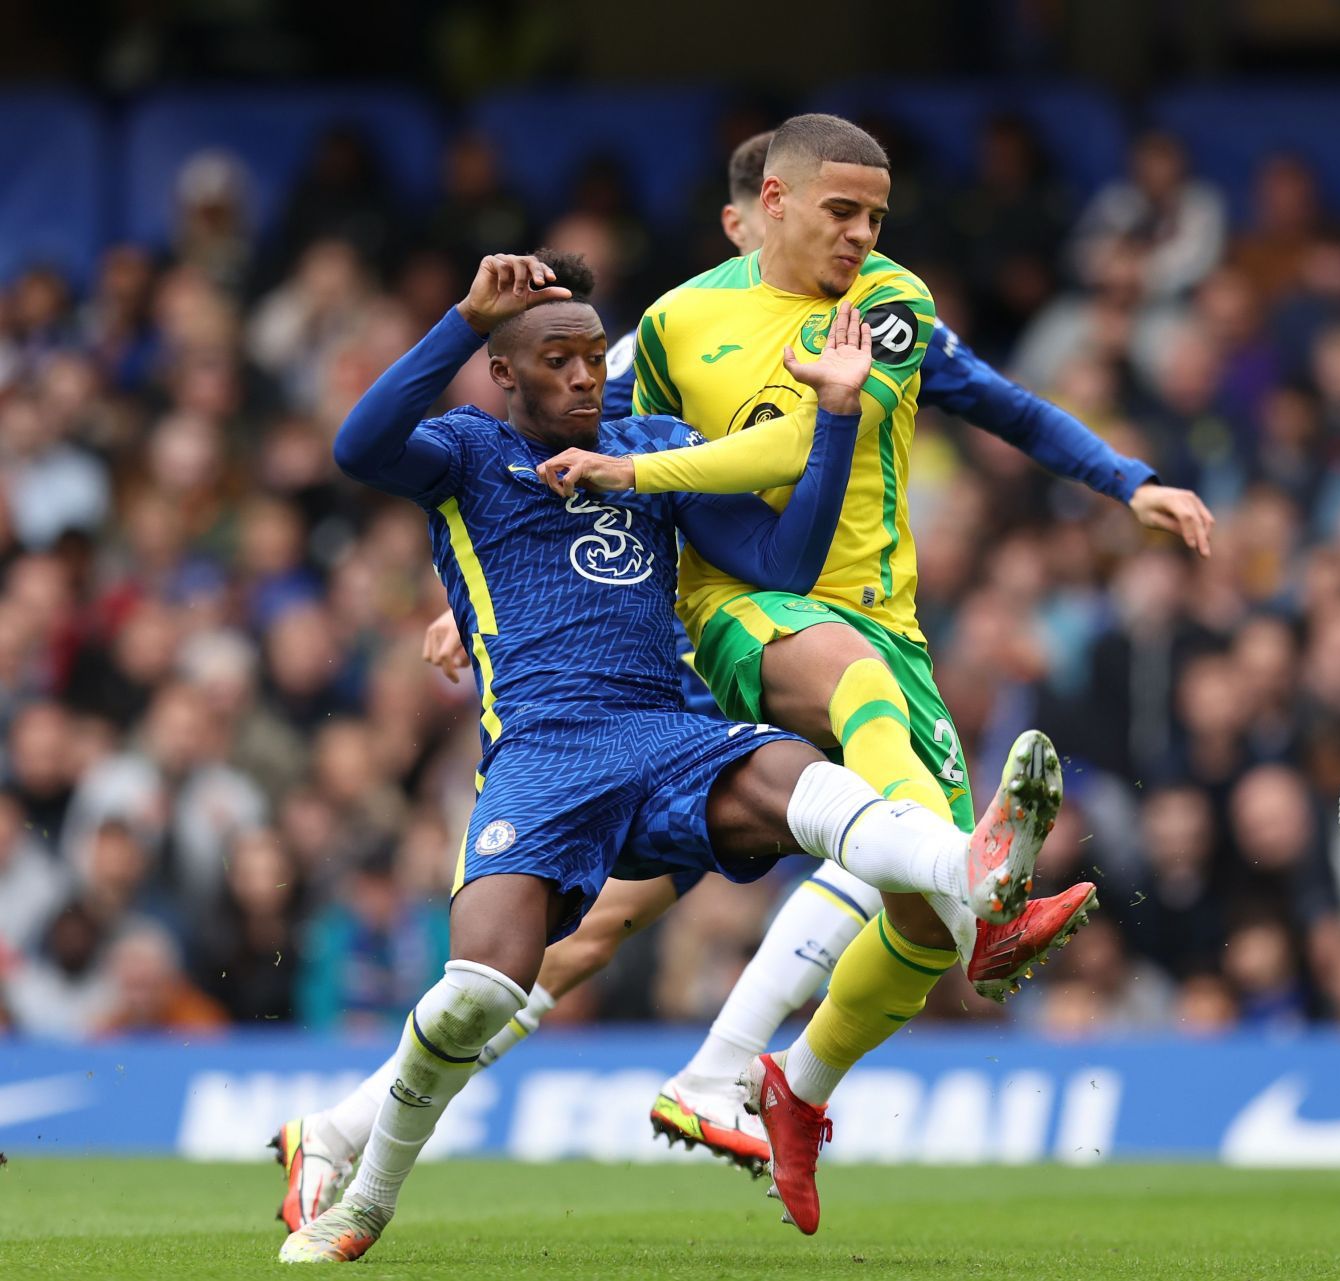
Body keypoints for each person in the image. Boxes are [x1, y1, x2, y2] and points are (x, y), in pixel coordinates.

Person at [404, 124, 1209, 1177]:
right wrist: (478, 605)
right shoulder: (677, 324)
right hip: (738, 605)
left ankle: (791, 1083)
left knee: (906, 924)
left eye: (877, 217)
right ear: (769, 205)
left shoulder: (887, 306)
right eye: (844, 213)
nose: (863, 235)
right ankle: (741, 1042)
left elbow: (993, 407)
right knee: (856, 714)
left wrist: (1125, 479)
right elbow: (586, 470)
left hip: (882, 617)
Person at [277, 251, 1059, 1261]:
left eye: (596, 356)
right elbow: (357, 444)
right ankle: (366, 1197)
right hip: (544, 755)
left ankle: (972, 867)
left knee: (801, 780)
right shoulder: (467, 454)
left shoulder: (654, 451)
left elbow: (785, 563)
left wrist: (832, 420)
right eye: (557, 360)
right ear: (506, 374)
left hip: (664, 732)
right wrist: (464, 320)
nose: (584, 377)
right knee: (477, 992)